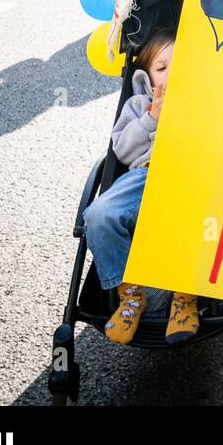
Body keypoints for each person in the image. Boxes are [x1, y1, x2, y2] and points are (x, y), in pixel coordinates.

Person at [82, 30, 201, 345]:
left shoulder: (203, 100)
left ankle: (184, 295)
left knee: (186, 212)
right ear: (147, 76)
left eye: (180, 63)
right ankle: (131, 293)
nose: (171, 73)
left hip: (188, 173)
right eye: (162, 68)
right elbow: (122, 151)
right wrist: (152, 118)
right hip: (144, 175)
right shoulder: (139, 104)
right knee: (98, 216)